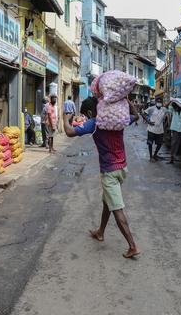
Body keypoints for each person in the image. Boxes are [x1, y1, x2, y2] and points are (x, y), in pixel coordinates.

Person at [63, 97, 141, 258]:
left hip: (110, 171)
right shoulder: (117, 120)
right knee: (107, 201)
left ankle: (132, 246)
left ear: (91, 112)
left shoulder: (95, 122)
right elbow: (137, 116)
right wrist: (126, 102)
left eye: (86, 115)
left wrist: (65, 118)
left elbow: (70, 132)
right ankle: (100, 232)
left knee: (117, 209)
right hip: (122, 168)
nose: (86, 118)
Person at [168, 99, 181, 164]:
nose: (175, 108)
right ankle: (172, 159)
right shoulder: (173, 111)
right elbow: (168, 107)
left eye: (176, 107)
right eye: (175, 107)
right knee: (173, 144)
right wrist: (172, 100)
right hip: (175, 130)